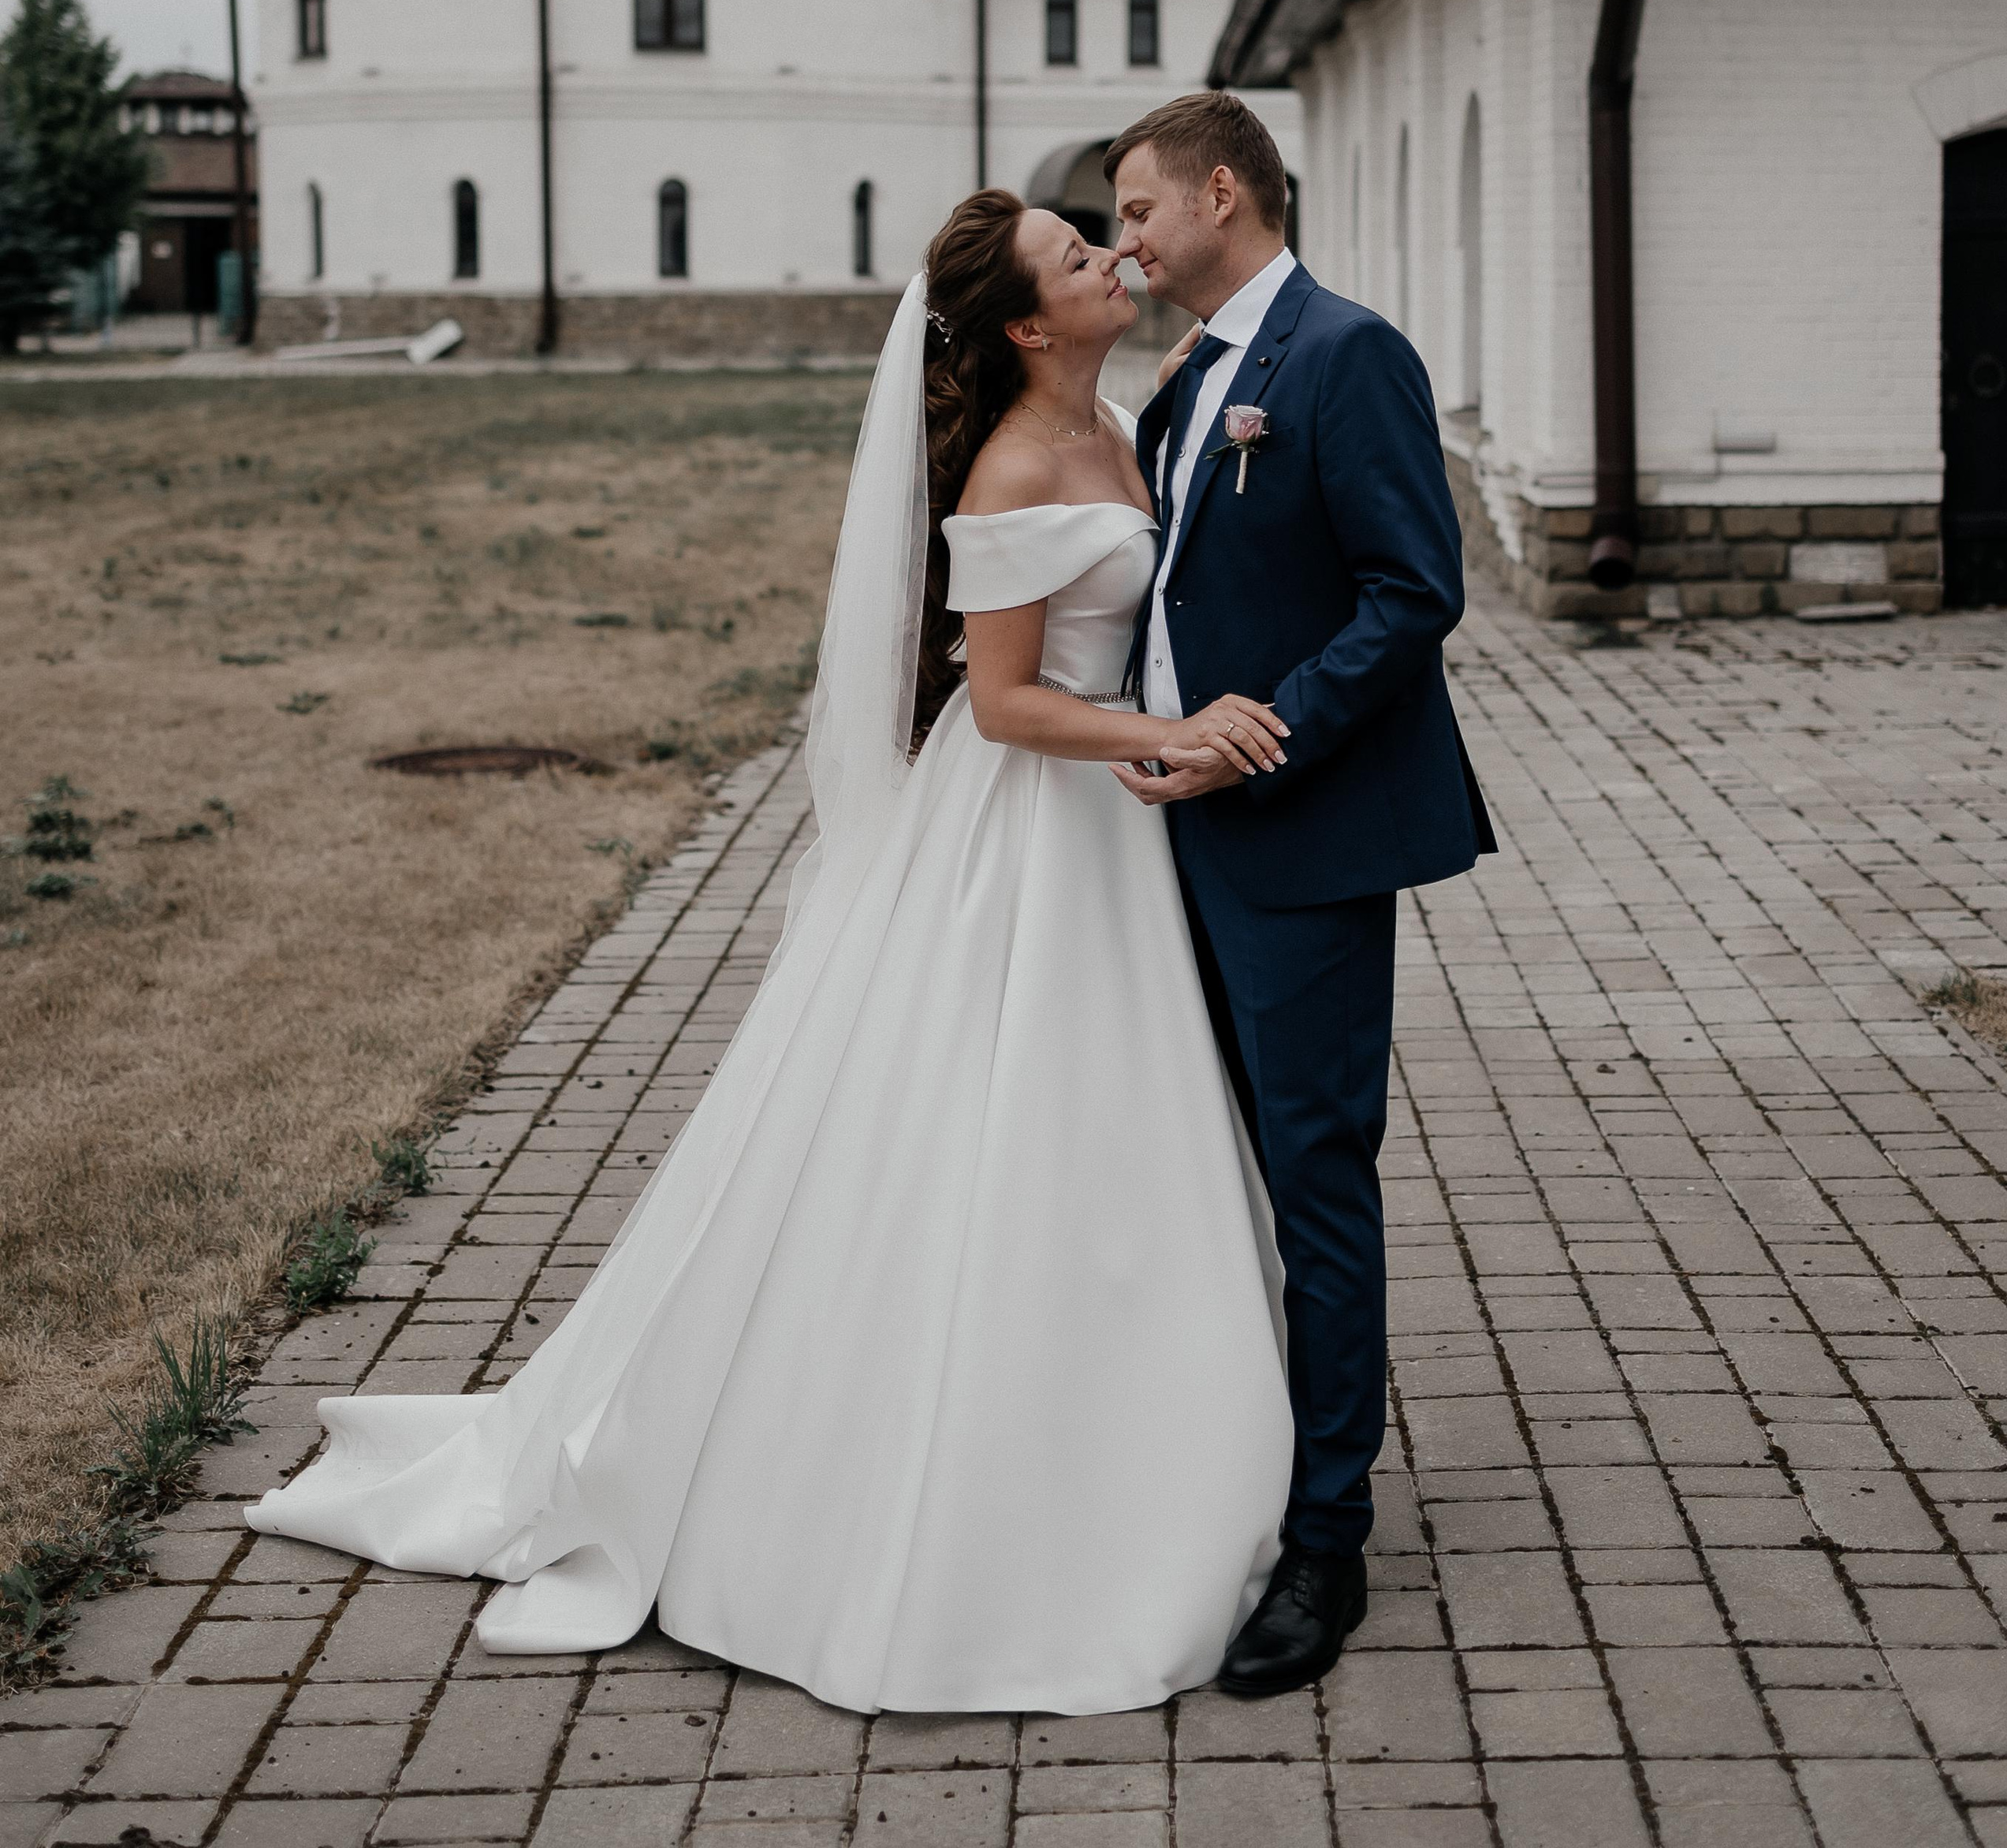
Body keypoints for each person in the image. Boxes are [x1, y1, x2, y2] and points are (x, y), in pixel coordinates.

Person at [242, 191, 1299, 1716]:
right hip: (1033, 825)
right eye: (1079, 256)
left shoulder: (1129, 408)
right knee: (985, 1126)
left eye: (1102, 239)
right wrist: (1169, 732)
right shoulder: (1012, 462)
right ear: (1021, 323)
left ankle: (1152, 1428)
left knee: (1112, 1131)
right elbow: (1001, 702)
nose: (1111, 259)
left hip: (1112, 838)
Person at [1105, 91, 1495, 1698]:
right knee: (1197, 1167)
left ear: (1221, 190)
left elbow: (1417, 590)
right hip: (1157, 842)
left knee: (1312, 1176)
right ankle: (1212, 1466)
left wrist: (1254, 739)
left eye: (1135, 206)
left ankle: (1324, 1533)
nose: (1123, 237)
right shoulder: (1184, 382)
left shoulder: (1343, 354)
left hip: (1296, 836)